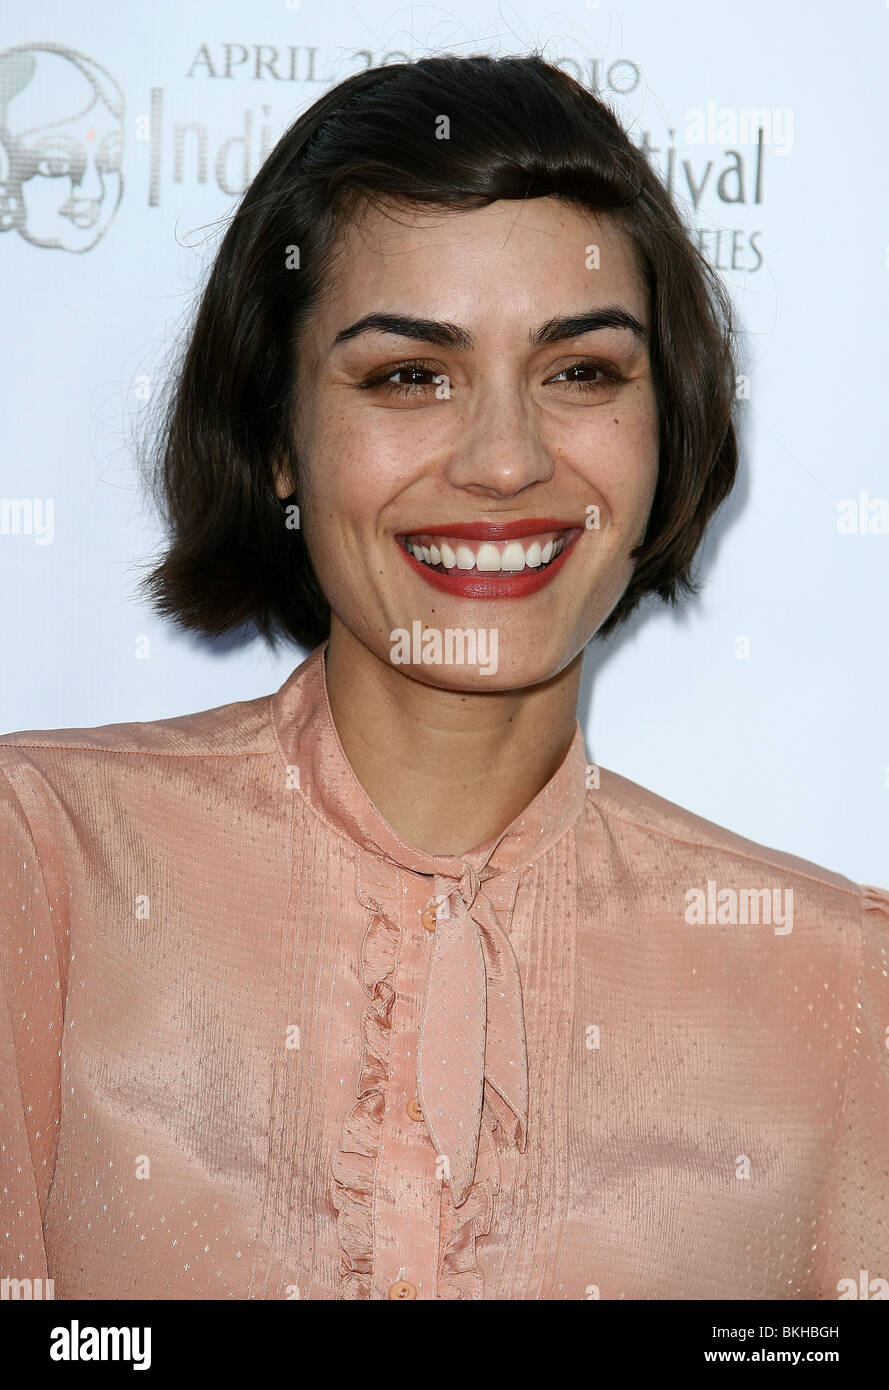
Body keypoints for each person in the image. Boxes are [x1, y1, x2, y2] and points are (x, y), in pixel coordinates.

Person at [1, 53, 886, 1302]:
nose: (506, 459)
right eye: (410, 375)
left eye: (580, 371)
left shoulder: (836, 987)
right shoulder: (43, 871)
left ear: (666, 423)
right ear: (274, 443)